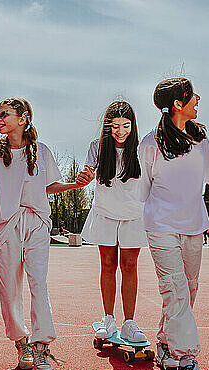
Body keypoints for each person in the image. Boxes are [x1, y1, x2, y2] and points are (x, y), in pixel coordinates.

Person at [0, 98, 90, 370]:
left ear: (24, 118)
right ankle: (21, 343)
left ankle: (41, 348)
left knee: (39, 284)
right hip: (6, 226)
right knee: (9, 290)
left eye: (5, 114)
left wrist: (76, 184)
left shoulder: (43, 151)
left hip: (36, 224)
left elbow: (50, 186)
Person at [139, 78, 209, 370]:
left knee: (188, 289)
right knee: (176, 289)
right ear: (178, 104)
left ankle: (165, 343)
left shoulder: (199, 137)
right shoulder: (150, 144)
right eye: (192, 96)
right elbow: (143, 189)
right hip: (161, 227)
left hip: (194, 225)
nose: (198, 99)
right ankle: (188, 362)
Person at [79, 101, 148, 343]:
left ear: (133, 126)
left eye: (125, 126)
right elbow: (88, 172)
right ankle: (108, 318)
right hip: (105, 213)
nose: (120, 131)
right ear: (107, 126)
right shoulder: (96, 147)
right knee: (108, 265)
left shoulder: (142, 149)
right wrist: (85, 176)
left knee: (129, 266)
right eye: (115, 126)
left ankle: (129, 322)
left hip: (134, 216)